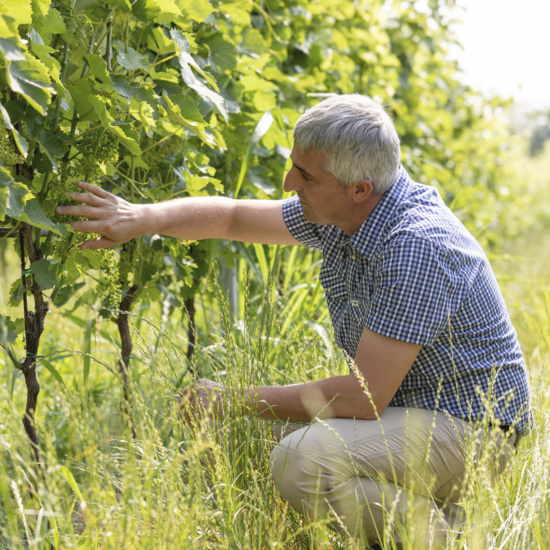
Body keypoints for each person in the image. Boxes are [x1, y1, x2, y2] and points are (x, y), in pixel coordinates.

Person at [57, 94, 531, 547]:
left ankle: (454, 538)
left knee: (301, 460)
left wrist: (233, 399)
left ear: (359, 189)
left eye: (304, 175)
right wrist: (141, 217)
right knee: (263, 436)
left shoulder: (415, 245)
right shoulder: (351, 212)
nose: (288, 183)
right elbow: (234, 218)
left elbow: (364, 397)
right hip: (412, 414)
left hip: (474, 433)